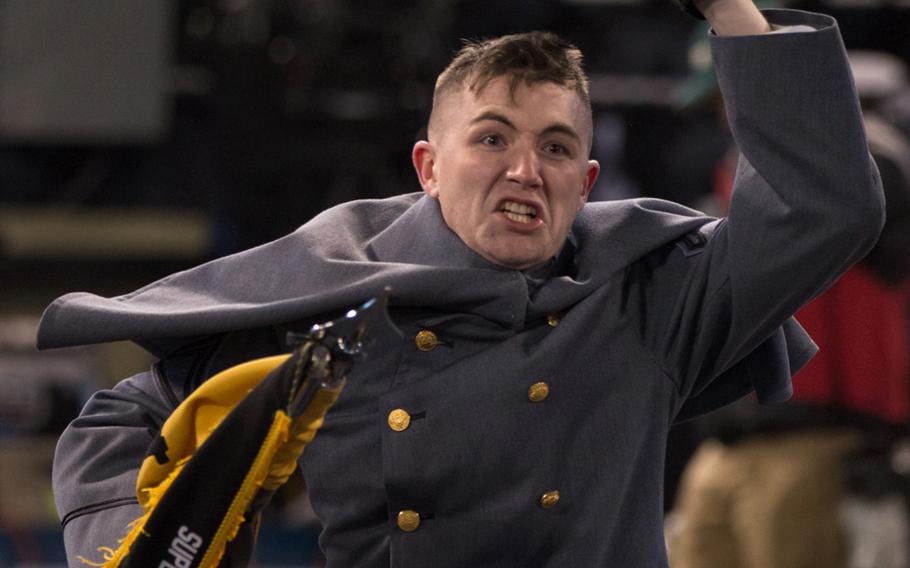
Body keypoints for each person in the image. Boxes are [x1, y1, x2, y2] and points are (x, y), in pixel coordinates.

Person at [41, 0, 885, 565]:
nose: (526, 168)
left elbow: (829, 206)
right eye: (491, 139)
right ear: (428, 167)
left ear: (586, 183)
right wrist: (135, 542)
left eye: (556, 148)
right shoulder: (338, 297)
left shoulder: (651, 299)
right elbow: (124, 414)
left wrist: (728, 7)